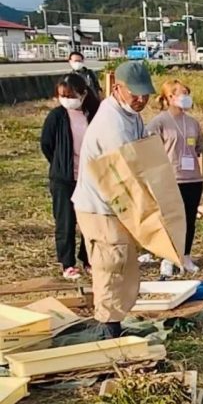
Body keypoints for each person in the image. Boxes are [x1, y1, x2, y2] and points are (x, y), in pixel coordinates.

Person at [72, 61, 156, 338]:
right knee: (109, 263)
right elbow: (127, 171)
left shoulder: (130, 114)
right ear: (118, 88)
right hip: (100, 206)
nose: (141, 100)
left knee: (123, 262)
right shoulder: (112, 122)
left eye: (145, 94)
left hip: (116, 203)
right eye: (136, 94)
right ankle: (108, 327)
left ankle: (116, 320)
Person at [40, 73, 99, 280]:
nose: (66, 99)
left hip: (89, 177)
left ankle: (89, 259)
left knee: (89, 221)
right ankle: (68, 264)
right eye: (62, 95)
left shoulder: (93, 114)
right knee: (65, 222)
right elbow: (46, 145)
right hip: (63, 179)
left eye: (70, 95)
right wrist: (60, 164)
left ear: (83, 94)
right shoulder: (56, 116)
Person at [146, 79, 203, 276]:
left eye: (187, 93)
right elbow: (149, 150)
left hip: (192, 179)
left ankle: (185, 255)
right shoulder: (159, 122)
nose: (185, 97)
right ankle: (167, 257)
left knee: (189, 219)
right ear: (169, 97)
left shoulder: (193, 122)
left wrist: (202, 175)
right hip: (170, 178)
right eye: (181, 93)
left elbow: (199, 149)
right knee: (170, 220)